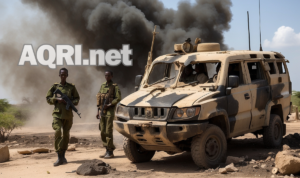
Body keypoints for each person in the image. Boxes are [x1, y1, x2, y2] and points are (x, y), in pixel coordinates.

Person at [46, 68, 80, 167]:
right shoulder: (55, 86)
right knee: (58, 132)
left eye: (65, 75)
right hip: (57, 114)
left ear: (67, 75)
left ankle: (63, 155)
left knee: (66, 135)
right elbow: (48, 99)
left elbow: (77, 99)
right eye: (62, 74)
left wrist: (70, 102)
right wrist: (57, 99)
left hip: (68, 115)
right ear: (59, 75)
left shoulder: (71, 87)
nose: (63, 76)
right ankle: (59, 156)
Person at [96, 71, 121, 159]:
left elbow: (118, 98)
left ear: (112, 76)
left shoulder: (114, 86)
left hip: (109, 111)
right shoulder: (102, 85)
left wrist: (110, 105)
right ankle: (106, 149)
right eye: (105, 75)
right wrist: (98, 111)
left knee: (108, 131)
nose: (107, 77)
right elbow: (99, 98)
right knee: (102, 131)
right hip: (102, 111)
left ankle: (110, 151)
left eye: (108, 75)